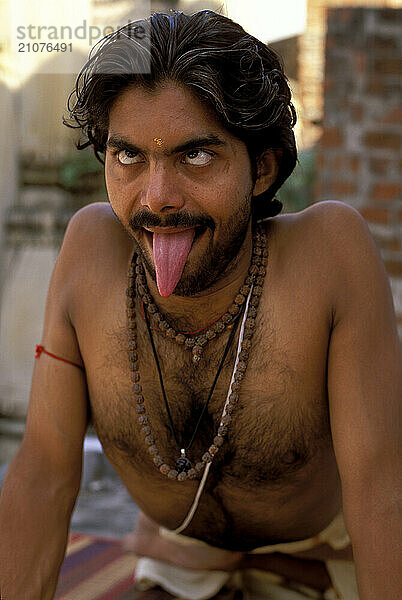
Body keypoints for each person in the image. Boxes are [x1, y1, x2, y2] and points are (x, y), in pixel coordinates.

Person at [0, 9, 400, 600]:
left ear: (261, 167)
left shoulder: (329, 256)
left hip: (330, 549)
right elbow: (43, 476)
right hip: (180, 550)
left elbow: (382, 491)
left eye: (196, 155)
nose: (157, 198)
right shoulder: (90, 253)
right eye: (129, 156)